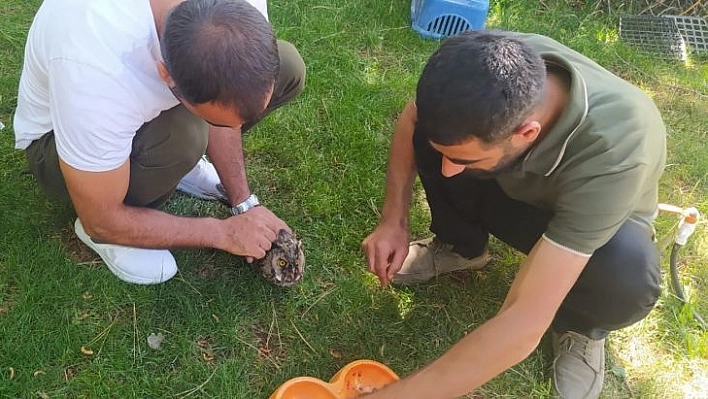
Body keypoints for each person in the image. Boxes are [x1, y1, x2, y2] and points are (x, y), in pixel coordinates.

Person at [362, 30, 665, 398]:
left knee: (627, 272)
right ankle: (462, 247)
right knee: (440, 146)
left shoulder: (617, 151)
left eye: (463, 160)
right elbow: (414, 119)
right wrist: (393, 220)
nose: (445, 173)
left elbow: (522, 319)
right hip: (513, 186)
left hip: (587, 232)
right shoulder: (484, 60)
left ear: (526, 132)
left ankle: (581, 326)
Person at [13, 0, 305, 285]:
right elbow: (101, 218)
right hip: (60, 149)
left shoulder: (241, 8)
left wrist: (244, 203)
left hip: (127, 107)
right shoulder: (94, 64)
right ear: (166, 75)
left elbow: (229, 94)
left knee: (288, 66)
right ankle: (113, 234)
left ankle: (173, 166)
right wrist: (221, 233)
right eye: (220, 123)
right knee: (185, 138)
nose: (238, 131)